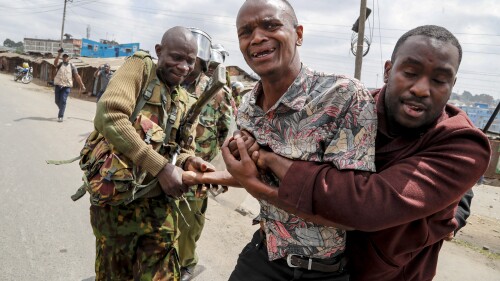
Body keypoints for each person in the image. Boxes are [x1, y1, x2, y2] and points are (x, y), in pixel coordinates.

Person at [223, 25, 491, 281]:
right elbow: (290, 145)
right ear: (388, 70)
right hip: (317, 266)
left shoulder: (461, 142)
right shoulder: (351, 105)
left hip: (390, 275)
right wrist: (249, 149)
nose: (421, 88)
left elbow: (366, 204)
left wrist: (266, 167)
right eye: (410, 73)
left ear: (452, 84)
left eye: (439, 80)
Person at [212, 0, 377, 279]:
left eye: (271, 25)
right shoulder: (248, 105)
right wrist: (204, 176)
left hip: (321, 272)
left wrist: (257, 173)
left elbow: (349, 211)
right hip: (263, 256)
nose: (258, 37)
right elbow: (253, 174)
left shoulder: (342, 96)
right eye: (245, 32)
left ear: (298, 34)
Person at [90, 26, 214, 281]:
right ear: (159, 51)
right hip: (118, 205)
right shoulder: (140, 68)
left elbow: (178, 151)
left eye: (190, 61)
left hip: (160, 209)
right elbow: (110, 116)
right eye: (177, 57)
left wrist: (189, 161)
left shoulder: (184, 100)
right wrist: (161, 168)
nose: (183, 66)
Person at [178, 30, 234, 281]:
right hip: (165, 163)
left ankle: (186, 261)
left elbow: (228, 134)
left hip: (198, 167)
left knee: (190, 219)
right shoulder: (170, 81)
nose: (188, 67)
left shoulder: (217, 91)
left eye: (194, 62)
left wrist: (221, 173)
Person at [53, 49, 86, 122]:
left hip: (66, 86)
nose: (65, 58)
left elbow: (77, 76)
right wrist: (58, 55)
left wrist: (82, 85)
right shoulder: (60, 64)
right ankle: (61, 108)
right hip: (58, 85)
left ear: (69, 58)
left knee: (63, 101)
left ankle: (60, 116)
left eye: (66, 57)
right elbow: (55, 63)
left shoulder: (72, 66)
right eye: (64, 56)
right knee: (57, 101)